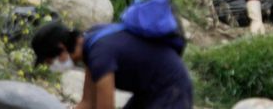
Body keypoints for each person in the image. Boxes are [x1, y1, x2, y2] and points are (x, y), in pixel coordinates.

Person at [31, 21, 192, 109]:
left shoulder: (99, 56)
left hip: (172, 90)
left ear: (61, 49)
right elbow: (88, 103)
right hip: (149, 91)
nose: (52, 67)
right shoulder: (90, 43)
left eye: (50, 62)